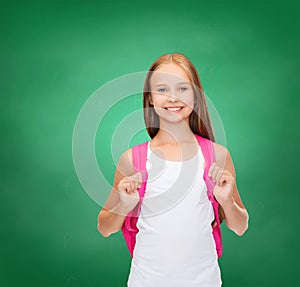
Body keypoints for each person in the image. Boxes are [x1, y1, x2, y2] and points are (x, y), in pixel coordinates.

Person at [97, 52, 249, 286]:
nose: (172, 98)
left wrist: (227, 201)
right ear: (150, 98)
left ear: (196, 96)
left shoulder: (217, 156)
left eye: (182, 89)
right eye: (162, 90)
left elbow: (240, 226)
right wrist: (124, 205)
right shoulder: (133, 159)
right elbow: (105, 227)